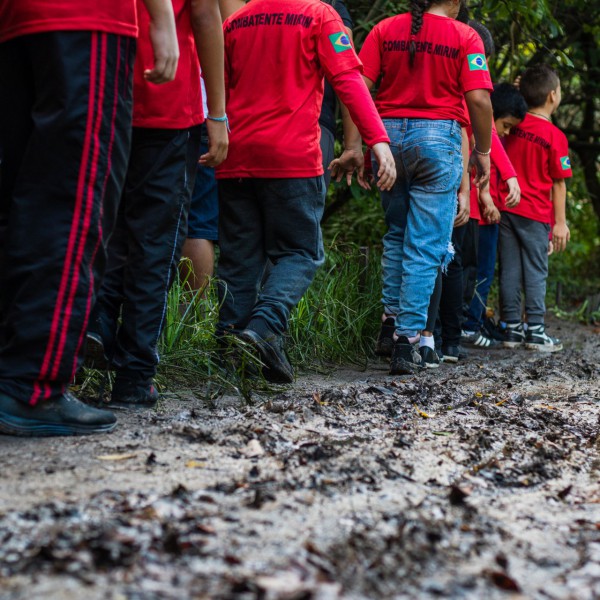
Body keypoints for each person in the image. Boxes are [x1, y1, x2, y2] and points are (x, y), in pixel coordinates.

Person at [0, 0, 178, 435]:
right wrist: (162, 15)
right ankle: (31, 386)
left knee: (20, 194)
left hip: (18, 21)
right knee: (75, 196)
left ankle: (15, 371)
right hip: (87, 17)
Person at [216, 0, 396, 384]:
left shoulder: (235, 22)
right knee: (301, 252)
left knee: (239, 260)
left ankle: (228, 358)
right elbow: (348, 78)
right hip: (291, 156)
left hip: (235, 155)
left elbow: (219, 85)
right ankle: (264, 326)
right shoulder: (318, 14)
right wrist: (376, 139)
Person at [87, 0, 228, 409]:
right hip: (167, 107)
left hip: (102, 94)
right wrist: (216, 114)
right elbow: (204, 14)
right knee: (157, 242)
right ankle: (135, 375)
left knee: (104, 225)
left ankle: (96, 326)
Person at [350, 0, 493, 374]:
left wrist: (359, 145)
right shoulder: (466, 36)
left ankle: (390, 322)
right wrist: (482, 151)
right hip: (437, 141)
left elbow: (356, 87)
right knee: (425, 245)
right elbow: (478, 98)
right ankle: (407, 339)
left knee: (397, 235)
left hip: (388, 139)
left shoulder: (385, 29)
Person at [500, 64, 572, 351]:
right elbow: (559, 183)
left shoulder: (512, 124)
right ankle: (536, 330)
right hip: (535, 215)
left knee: (509, 269)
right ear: (553, 96)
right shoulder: (555, 137)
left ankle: (512, 330)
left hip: (506, 208)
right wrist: (560, 223)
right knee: (536, 269)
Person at [462, 82, 527, 346]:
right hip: (479, 213)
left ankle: (475, 322)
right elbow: (478, 172)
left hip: (489, 212)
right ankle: (469, 324)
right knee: (478, 270)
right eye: (506, 125)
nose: (506, 132)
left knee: (483, 270)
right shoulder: (481, 138)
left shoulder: (495, 142)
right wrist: (484, 197)